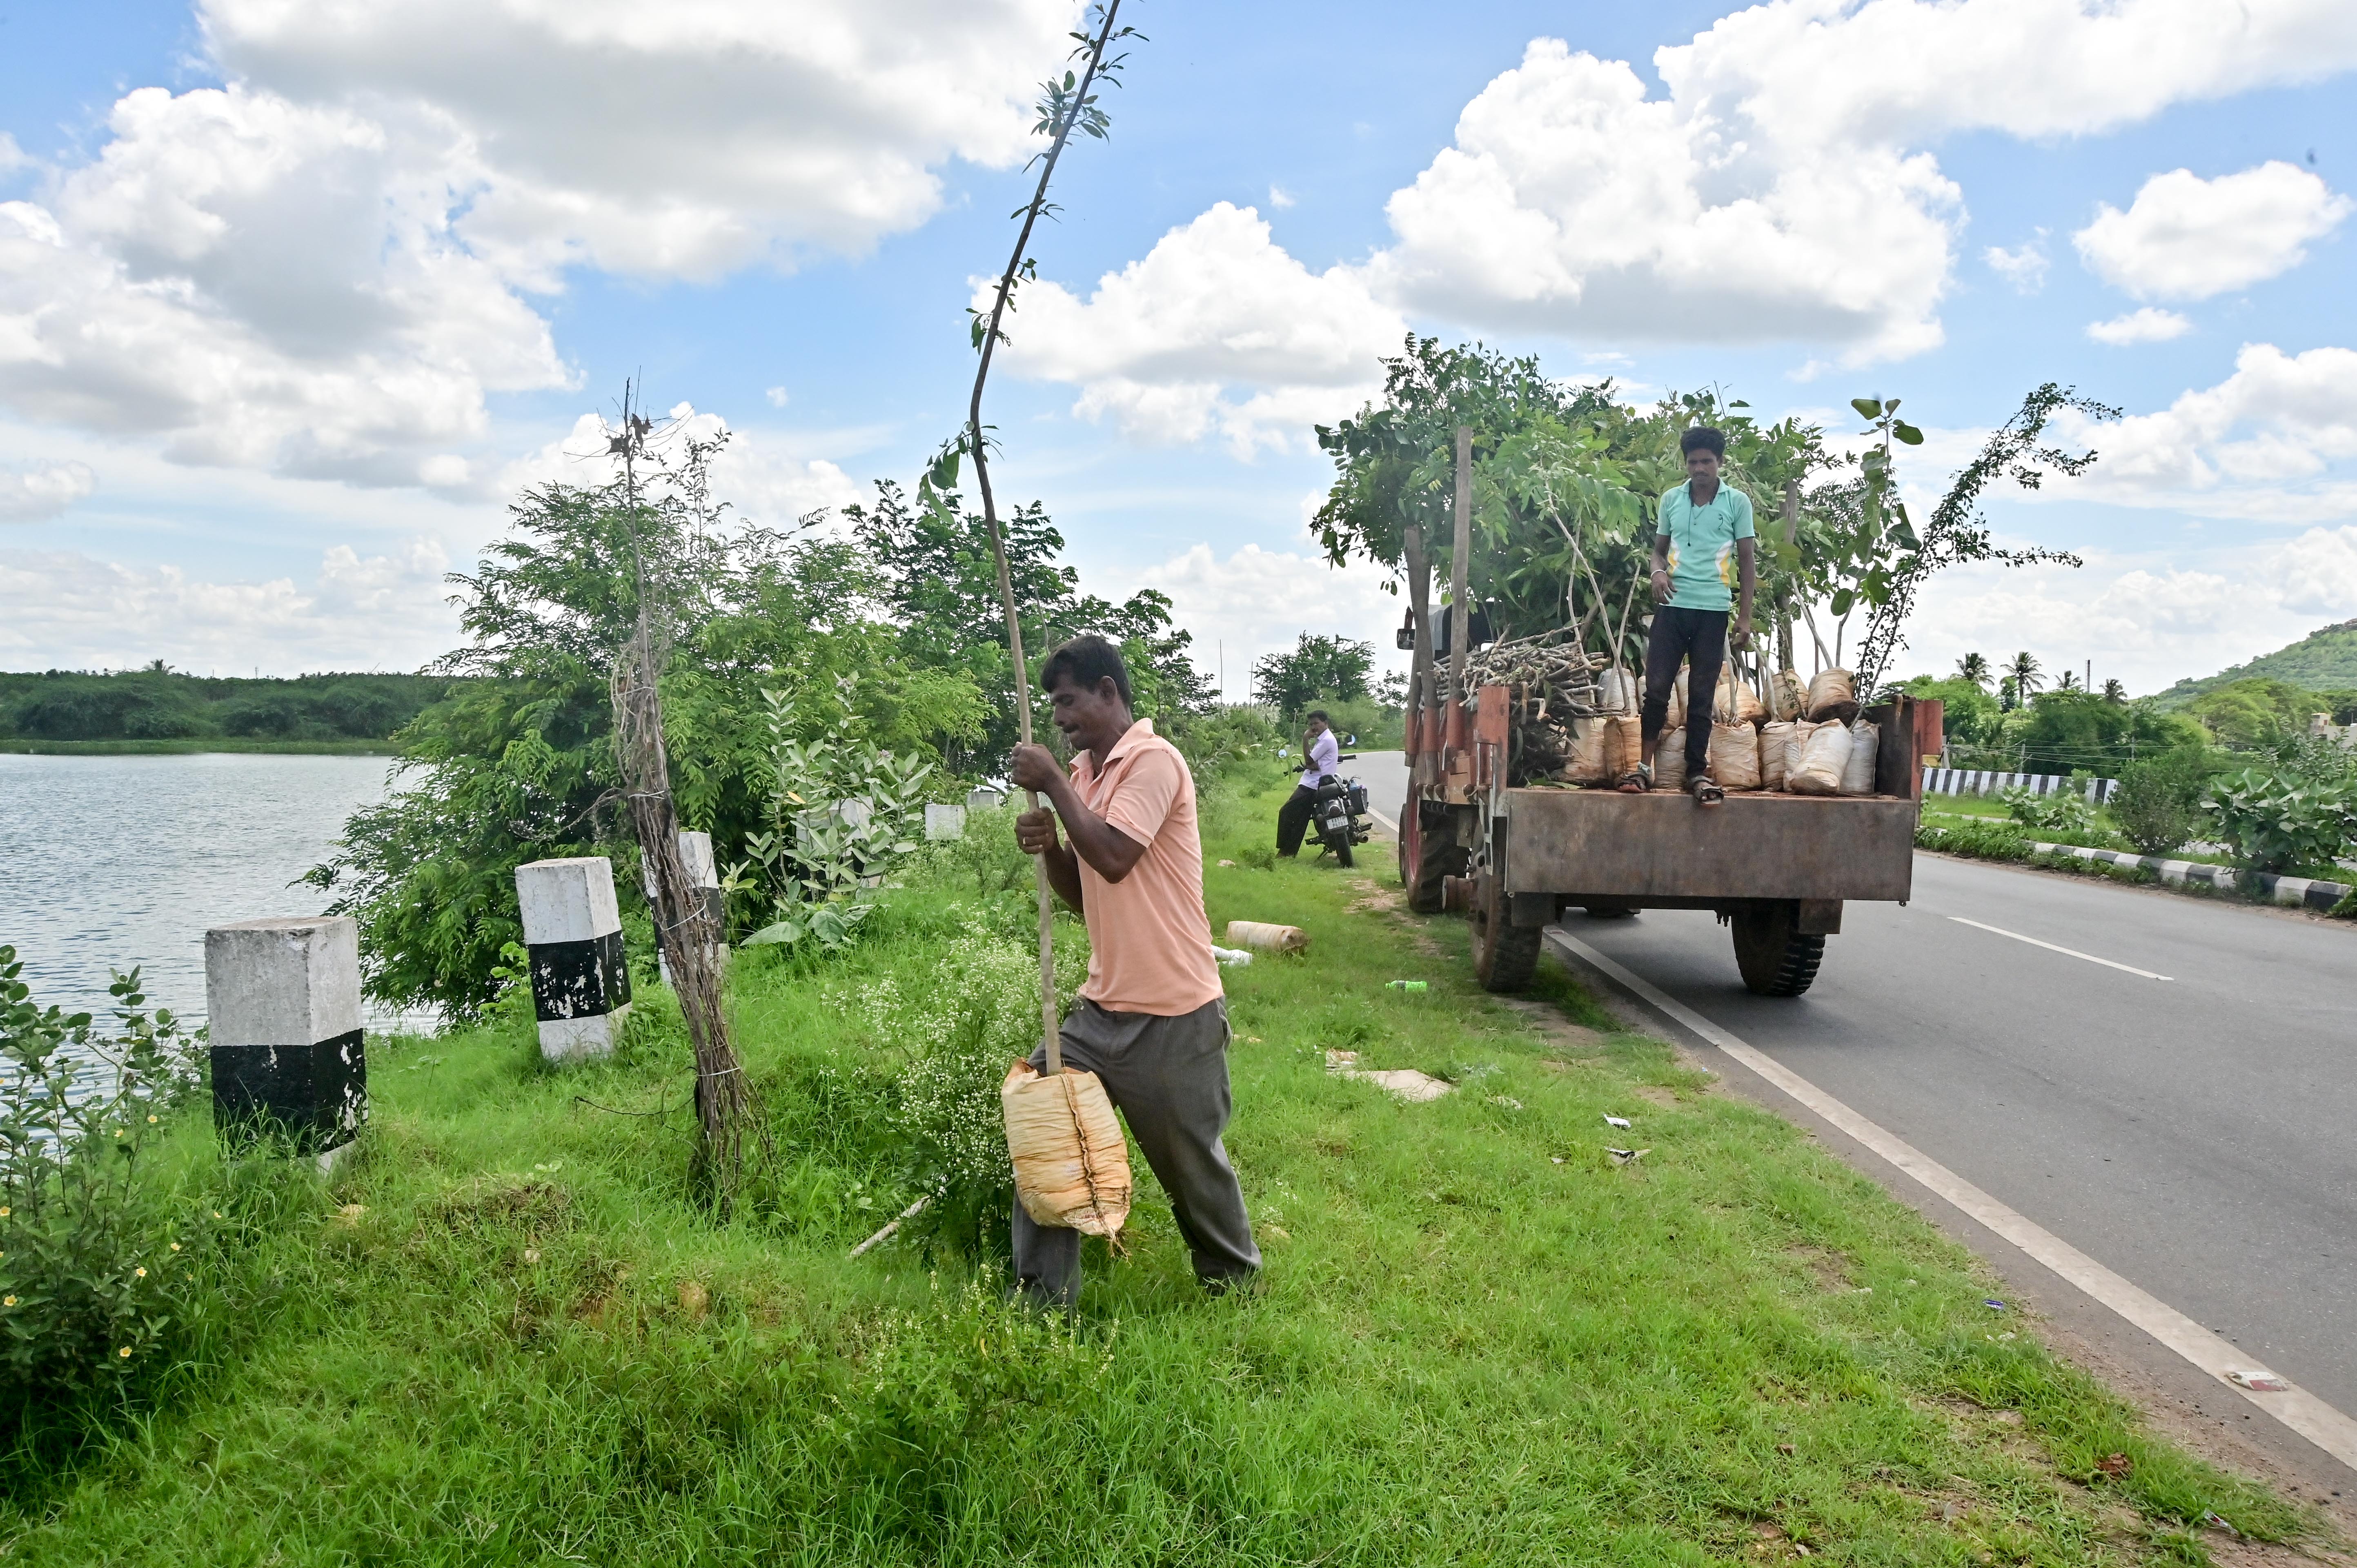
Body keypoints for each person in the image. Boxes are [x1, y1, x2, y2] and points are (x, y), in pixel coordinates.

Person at [1009, 634, 1261, 1308]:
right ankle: (1040, 1302)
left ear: (1108, 693)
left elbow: (1117, 855)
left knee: (1191, 1167)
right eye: (1053, 705)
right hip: (1101, 1010)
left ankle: (1232, 1283)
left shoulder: (1153, 762)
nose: (1059, 717)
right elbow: (1087, 888)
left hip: (1176, 1014)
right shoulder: (1086, 773)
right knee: (1045, 1125)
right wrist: (1053, 846)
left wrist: (1055, 786)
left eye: (1067, 702)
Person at [1620, 425, 1755, 805]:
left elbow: (1746, 561)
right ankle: (1643, 767)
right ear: (1686, 463)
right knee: (1657, 690)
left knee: (1700, 696)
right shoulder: (1670, 500)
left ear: (1720, 463)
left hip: (1713, 611)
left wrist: (1743, 618)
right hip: (1672, 609)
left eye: (1706, 462)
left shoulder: (1736, 503)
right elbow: (1657, 551)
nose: (1699, 468)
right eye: (1693, 462)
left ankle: (1695, 770)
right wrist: (1657, 572)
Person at [1275, 709, 1340, 858]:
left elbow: (1309, 761)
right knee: (1300, 819)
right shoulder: (1325, 739)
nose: (1313, 727)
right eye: (1311, 724)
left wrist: (1305, 738)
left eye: (1316, 723)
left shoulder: (1326, 740)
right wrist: (1311, 764)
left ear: (1326, 723)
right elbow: (1312, 764)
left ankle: (1285, 851)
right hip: (1317, 782)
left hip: (1312, 785)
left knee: (1286, 812)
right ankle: (1288, 852)